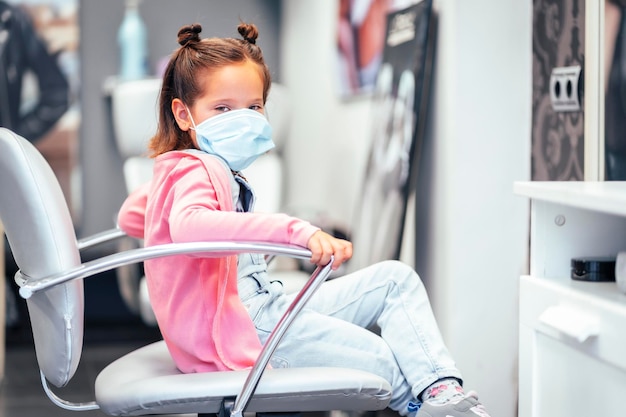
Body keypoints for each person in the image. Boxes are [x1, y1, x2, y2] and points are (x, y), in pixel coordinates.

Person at [117, 22, 491, 417]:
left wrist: (163, 200)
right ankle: (425, 406)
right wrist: (296, 230)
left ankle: (442, 393)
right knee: (384, 359)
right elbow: (190, 227)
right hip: (246, 327)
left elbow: (130, 217)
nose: (243, 119)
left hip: (264, 306)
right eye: (223, 108)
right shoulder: (197, 168)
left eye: (254, 107)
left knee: (394, 280)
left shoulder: (179, 169)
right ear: (183, 113)